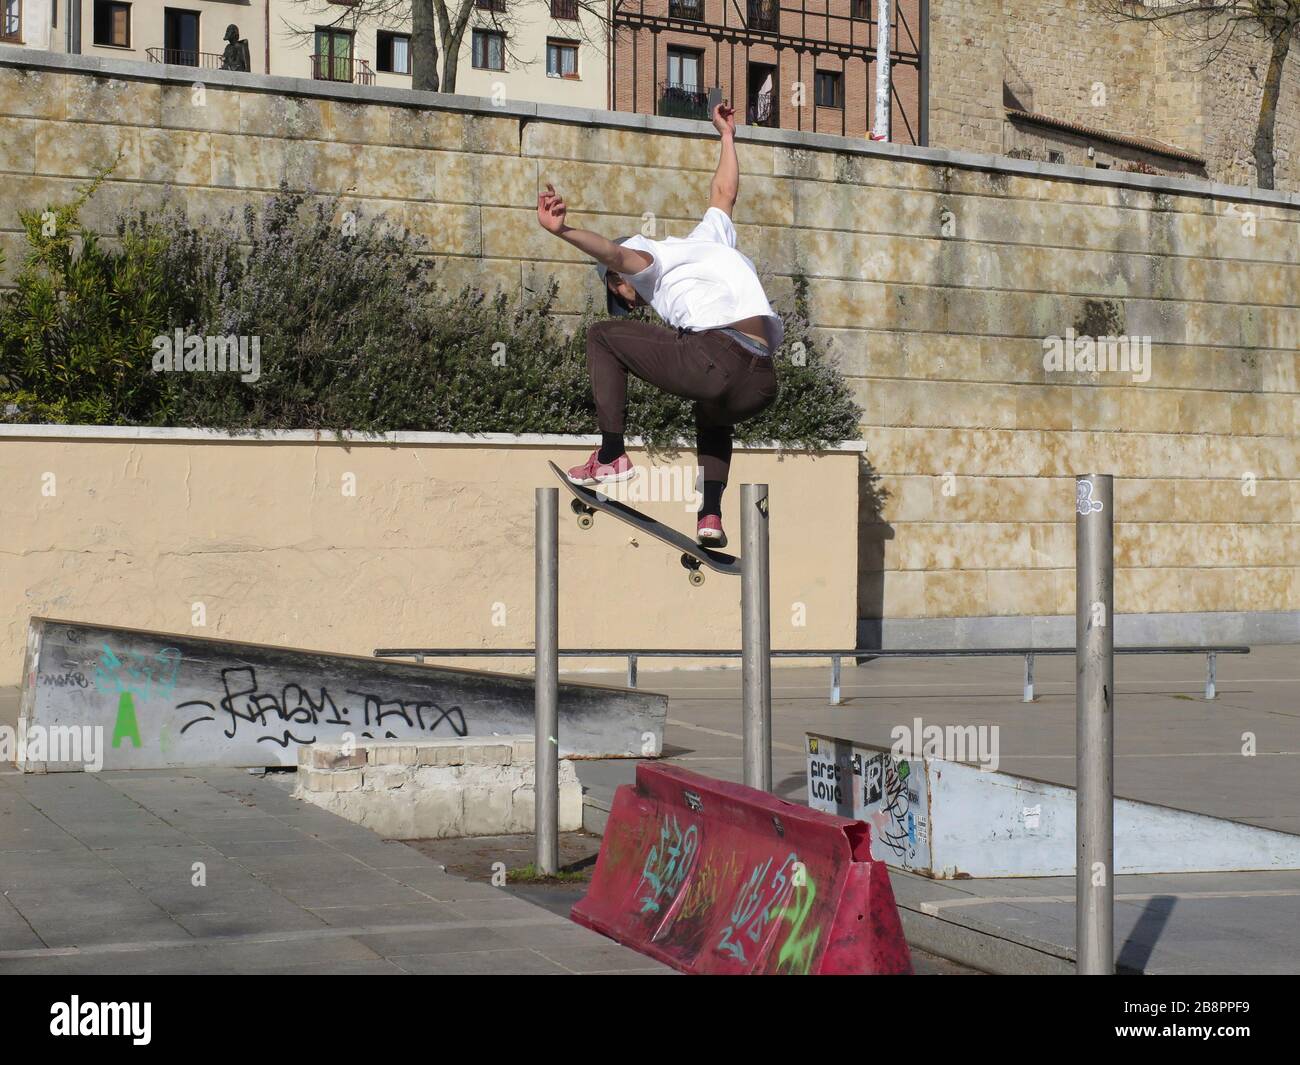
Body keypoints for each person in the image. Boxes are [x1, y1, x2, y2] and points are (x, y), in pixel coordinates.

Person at [535, 101, 781, 549]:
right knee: (712, 417)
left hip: (716, 355)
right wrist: (726, 135)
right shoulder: (710, 237)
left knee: (602, 337)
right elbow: (724, 192)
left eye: (620, 293)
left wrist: (563, 231)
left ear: (619, 283)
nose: (631, 302)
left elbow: (616, 255)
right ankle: (710, 515)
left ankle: (610, 456)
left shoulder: (652, 261)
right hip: (760, 379)